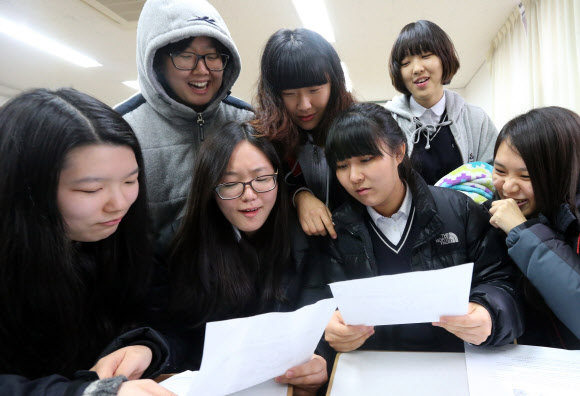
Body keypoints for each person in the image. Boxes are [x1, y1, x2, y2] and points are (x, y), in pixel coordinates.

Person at [302, 103, 522, 359]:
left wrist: (489, 313)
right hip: (373, 370)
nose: (354, 177)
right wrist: (328, 328)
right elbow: (318, 301)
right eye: (341, 166)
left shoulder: (458, 211)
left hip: (456, 364)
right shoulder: (335, 232)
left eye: (366, 160)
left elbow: (501, 280)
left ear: (398, 152)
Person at [0, 88, 174, 395]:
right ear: (26, 189)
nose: (119, 203)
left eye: (131, 181)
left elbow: (159, 315)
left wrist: (146, 345)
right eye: (91, 190)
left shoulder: (126, 239)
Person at [154, 122, 326, 395]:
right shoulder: (178, 246)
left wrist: (318, 361)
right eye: (231, 183)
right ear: (210, 186)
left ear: (277, 178)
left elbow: (317, 319)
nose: (249, 196)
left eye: (261, 179)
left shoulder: (304, 237)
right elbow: (171, 335)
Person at [116, 0, 254, 240]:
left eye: (213, 56)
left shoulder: (245, 119)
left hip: (238, 270)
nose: (202, 70)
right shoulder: (122, 128)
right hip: (153, 273)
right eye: (184, 55)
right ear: (156, 61)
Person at [489, 106, 580, 349]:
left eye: (525, 176)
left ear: (561, 172)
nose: (508, 187)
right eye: (499, 170)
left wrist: (523, 232)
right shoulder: (495, 214)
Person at [253, 28, 355, 239]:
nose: (305, 105)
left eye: (315, 90)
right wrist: (299, 195)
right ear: (273, 95)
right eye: (289, 94)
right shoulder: (263, 141)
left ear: (334, 83)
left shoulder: (358, 129)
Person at [385, 20, 498, 185]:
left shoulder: (476, 119)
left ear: (444, 59)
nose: (416, 69)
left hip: (468, 210)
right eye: (406, 63)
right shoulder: (387, 123)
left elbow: (494, 176)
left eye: (425, 56)